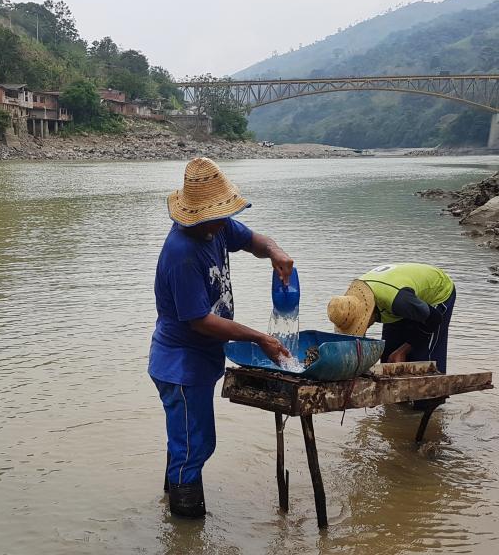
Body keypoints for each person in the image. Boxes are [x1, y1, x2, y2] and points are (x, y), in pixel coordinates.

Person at [148, 157, 293, 518]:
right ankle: (187, 525)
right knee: (195, 445)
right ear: (194, 215)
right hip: (180, 364)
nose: (221, 222)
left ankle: (171, 512)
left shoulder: (217, 227)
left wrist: (275, 251)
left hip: (200, 358)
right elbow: (200, 321)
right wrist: (259, 337)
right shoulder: (182, 253)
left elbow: (253, 240)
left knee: (185, 439)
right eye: (215, 216)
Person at [327, 263, 456, 373]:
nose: (362, 327)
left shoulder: (398, 301)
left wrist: (403, 350)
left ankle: (428, 401)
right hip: (399, 297)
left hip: (437, 295)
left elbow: (434, 320)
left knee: (422, 361)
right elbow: (358, 340)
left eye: (360, 324)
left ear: (368, 312)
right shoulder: (351, 302)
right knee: (389, 356)